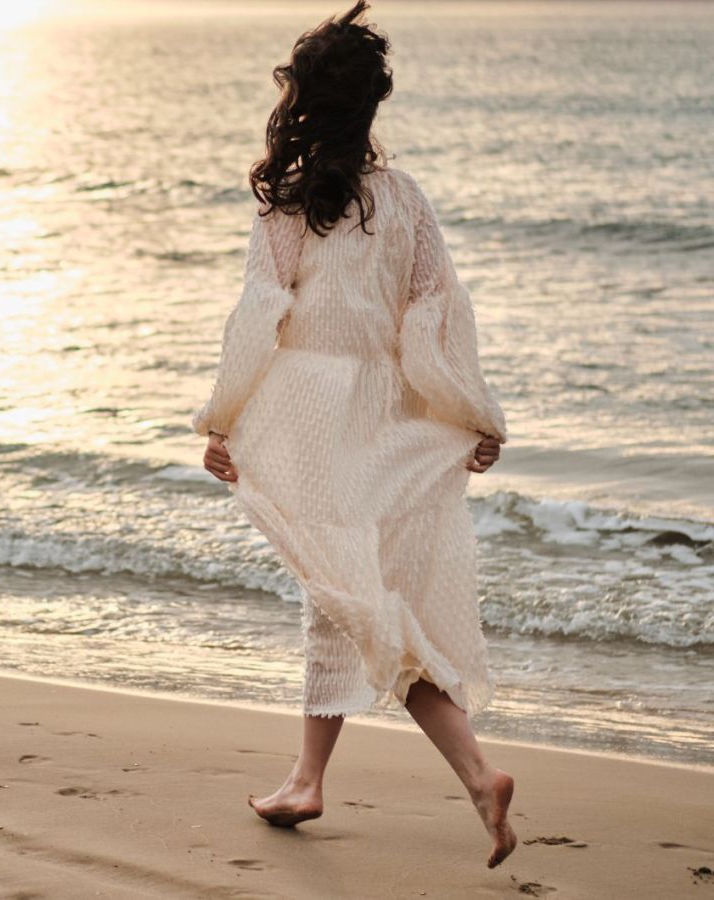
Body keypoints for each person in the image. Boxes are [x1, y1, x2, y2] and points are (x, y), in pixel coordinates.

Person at [191, 1, 517, 868]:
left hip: (310, 422)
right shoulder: (404, 201)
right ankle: (307, 778)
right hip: (385, 423)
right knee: (343, 596)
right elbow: (436, 321)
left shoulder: (289, 204)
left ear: (303, 105)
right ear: (371, 109)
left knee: (356, 602)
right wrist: (470, 414)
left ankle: (476, 772)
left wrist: (222, 419)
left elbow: (262, 315)